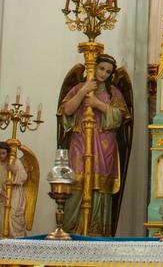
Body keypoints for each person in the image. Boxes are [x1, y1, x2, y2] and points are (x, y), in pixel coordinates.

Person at [60, 54, 129, 236]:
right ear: (94, 67)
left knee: (100, 190)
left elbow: (120, 118)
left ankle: (97, 233)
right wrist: (84, 91)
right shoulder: (78, 88)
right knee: (76, 185)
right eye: (101, 69)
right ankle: (72, 231)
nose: (104, 74)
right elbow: (66, 110)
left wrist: (99, 104)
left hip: (104, 147)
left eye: (108, 72)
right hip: (80, 143)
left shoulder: (114, 93)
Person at [0, 142, 27, 238]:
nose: (1, 156)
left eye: (3, 153)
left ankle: (17, 241)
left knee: (12, 216)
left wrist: (14, 171)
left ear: (7, 153)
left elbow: (24, 177)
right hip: (2, 195)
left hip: (15, 193)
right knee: (2, 218)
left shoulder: (15, 161)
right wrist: (0, 191)